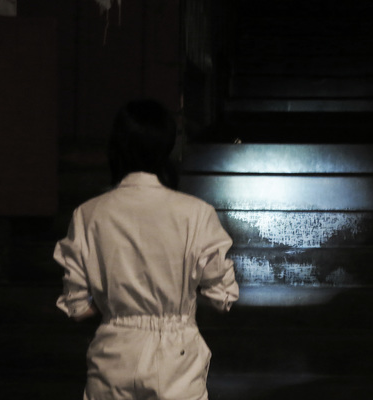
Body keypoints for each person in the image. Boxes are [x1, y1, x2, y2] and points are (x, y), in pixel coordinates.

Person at [54, 99, 239, 400]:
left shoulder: (87, 214)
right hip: (176, 359)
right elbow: (223, 296)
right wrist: (180, 297)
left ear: (116, 146)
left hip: (112, 355)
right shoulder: (196, 213)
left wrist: (117, 304)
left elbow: (75, 307)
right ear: (168, 147)